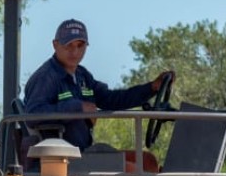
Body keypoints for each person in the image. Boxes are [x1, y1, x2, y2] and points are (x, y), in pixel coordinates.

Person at [20, 19, 173, 152]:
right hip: (58, 159)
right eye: (68, 46)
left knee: (146, 161)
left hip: (81, 152)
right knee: (137, 169)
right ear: (55, 45)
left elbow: (112, 99)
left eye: (80, 45)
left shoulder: (82, 75)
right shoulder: (46, 77)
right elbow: (33, 115)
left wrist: (152, 88)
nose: (75, 51)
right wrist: (77, 108)